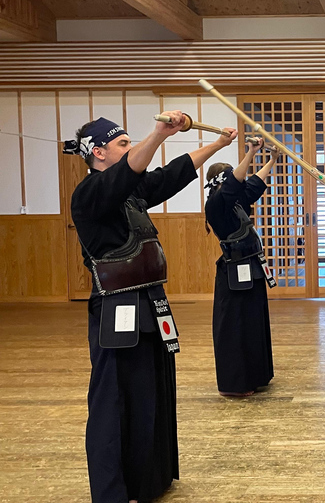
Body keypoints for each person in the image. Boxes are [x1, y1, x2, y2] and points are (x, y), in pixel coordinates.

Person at [67, 112, 236, 503]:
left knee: (151, 391)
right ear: (98, 152)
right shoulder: (90, 194)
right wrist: (159, 134)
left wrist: (217, 145)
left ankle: (149, 480)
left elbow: (171, 175)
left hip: (150, 301)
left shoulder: (132, 192)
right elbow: (131, 170)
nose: (130, 148)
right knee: (114, 398)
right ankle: (114, 490)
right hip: (116, 310)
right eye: (122, 143)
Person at [204, 137, 279, 396]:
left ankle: (256, 375)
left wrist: (271, 160)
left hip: (252, 266)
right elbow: (234, 184)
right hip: (233, 271)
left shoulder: (236, 202)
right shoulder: (216, 205)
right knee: (236, 327)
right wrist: (250, 153)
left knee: (253, 322)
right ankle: (235, 384)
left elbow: (254, 184)